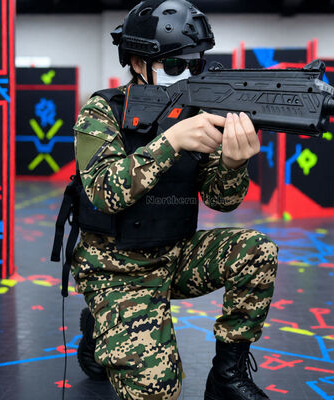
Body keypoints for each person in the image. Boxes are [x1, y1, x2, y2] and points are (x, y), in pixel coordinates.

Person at [71, 0, 278, 399]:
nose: (186, 74)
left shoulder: (197, 112)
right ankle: (100, 319)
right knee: (158, 392)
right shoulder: (103, 111)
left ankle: (227, 376)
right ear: (137, 62)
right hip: (116, 269)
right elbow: (102, 192)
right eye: (173, 65)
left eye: (195, 64)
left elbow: (221, 200)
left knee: (257, 251)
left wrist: (233, 163)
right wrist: (171, 141)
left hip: (176, 254)